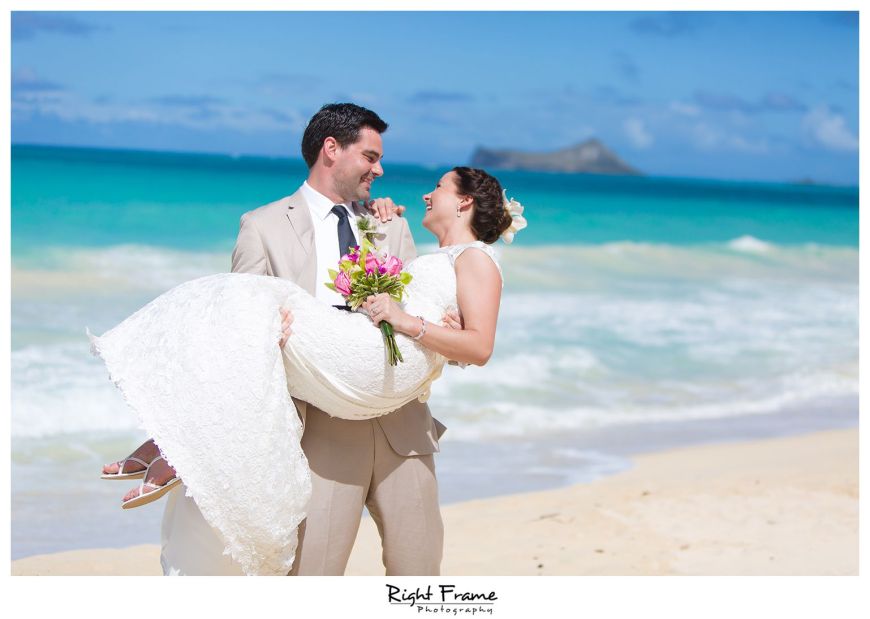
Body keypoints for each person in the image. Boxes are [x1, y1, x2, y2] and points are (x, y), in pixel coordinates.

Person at [93, 104, 524, 575]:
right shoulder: (262, 225)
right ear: (331, 149)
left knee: (419, 575)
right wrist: (266, 335)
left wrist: (446, 334)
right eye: (371, 156)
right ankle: (171, 441)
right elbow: (237, 326)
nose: (380, 170)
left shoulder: (391, 223)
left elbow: (429, 311)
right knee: (313, 575)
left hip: (403, 426)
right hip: (321, 431)